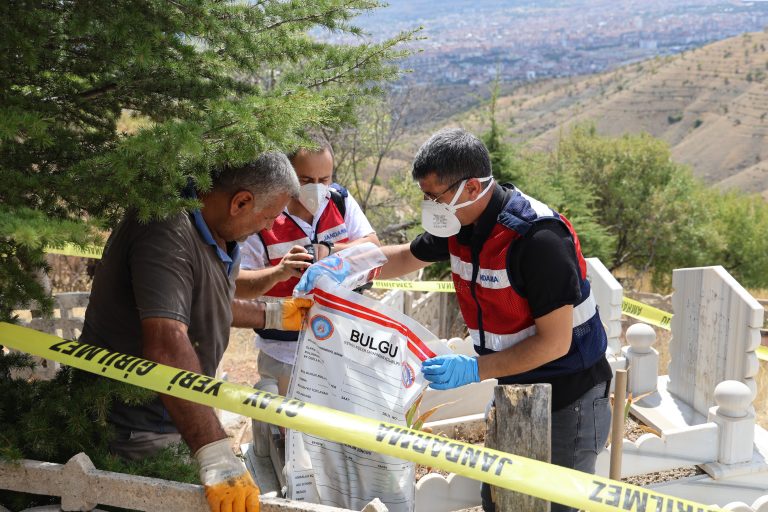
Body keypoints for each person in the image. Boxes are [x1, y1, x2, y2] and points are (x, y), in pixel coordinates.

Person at [376, 128, 612, 512]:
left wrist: (474, 369)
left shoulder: (538, 240)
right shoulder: (460, 224)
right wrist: (344, 266)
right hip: (511, 388)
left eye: (435, 196)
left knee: (555, 506)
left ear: (471, 188)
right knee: (501, 501)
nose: (430, 205)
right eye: (424, 196)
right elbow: (405, 256)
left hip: (569, 397)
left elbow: (554, 343)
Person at [79, 151, 312, 512]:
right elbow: (167, 341)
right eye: (267, 217)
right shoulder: (166, 230)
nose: (267, 228)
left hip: (173, 415)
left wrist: (274, 315)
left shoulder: (218, 230)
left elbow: (211, 300)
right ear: (241, 202)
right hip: (135, 428)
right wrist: (216, 452)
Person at [236, 137, 380, 397]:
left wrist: (327, 251)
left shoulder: (339, 202)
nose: (316, 188)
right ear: (289, 175)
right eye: (305, 180)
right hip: (283, 352)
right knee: (283, 433)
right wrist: (279, 271)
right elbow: (238, 281)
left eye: (323, 180)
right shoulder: (266, 215)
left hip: (340, 344)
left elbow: (372, 247)